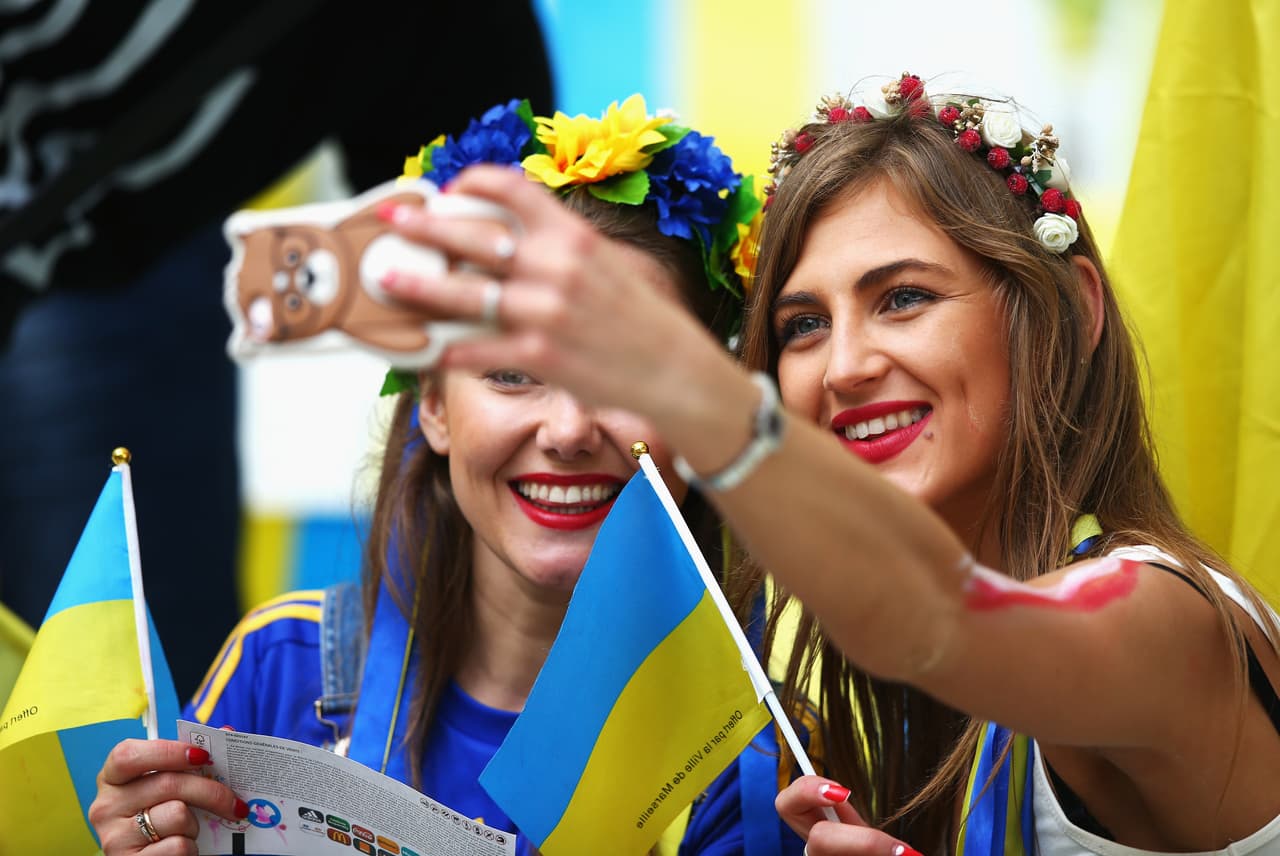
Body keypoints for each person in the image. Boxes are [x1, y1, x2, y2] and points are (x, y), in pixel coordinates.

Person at [365, 73, 1280, 854]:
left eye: (905, 298)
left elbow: (942, 621)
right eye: (804, 324)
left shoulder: (1156, 619)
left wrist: (698, 401)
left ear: (1070, 310)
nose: (844, 366)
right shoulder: (907, 708)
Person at [88, 96, 809, 856]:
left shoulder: (761, 752)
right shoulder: (282, 666)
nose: (567, 431)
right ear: (433, 402)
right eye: (511, 373)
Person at [0, 0, 554, 697]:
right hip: (86, 268)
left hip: (125, 264)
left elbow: (489, 290)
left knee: (137, 686)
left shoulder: (458, 33)